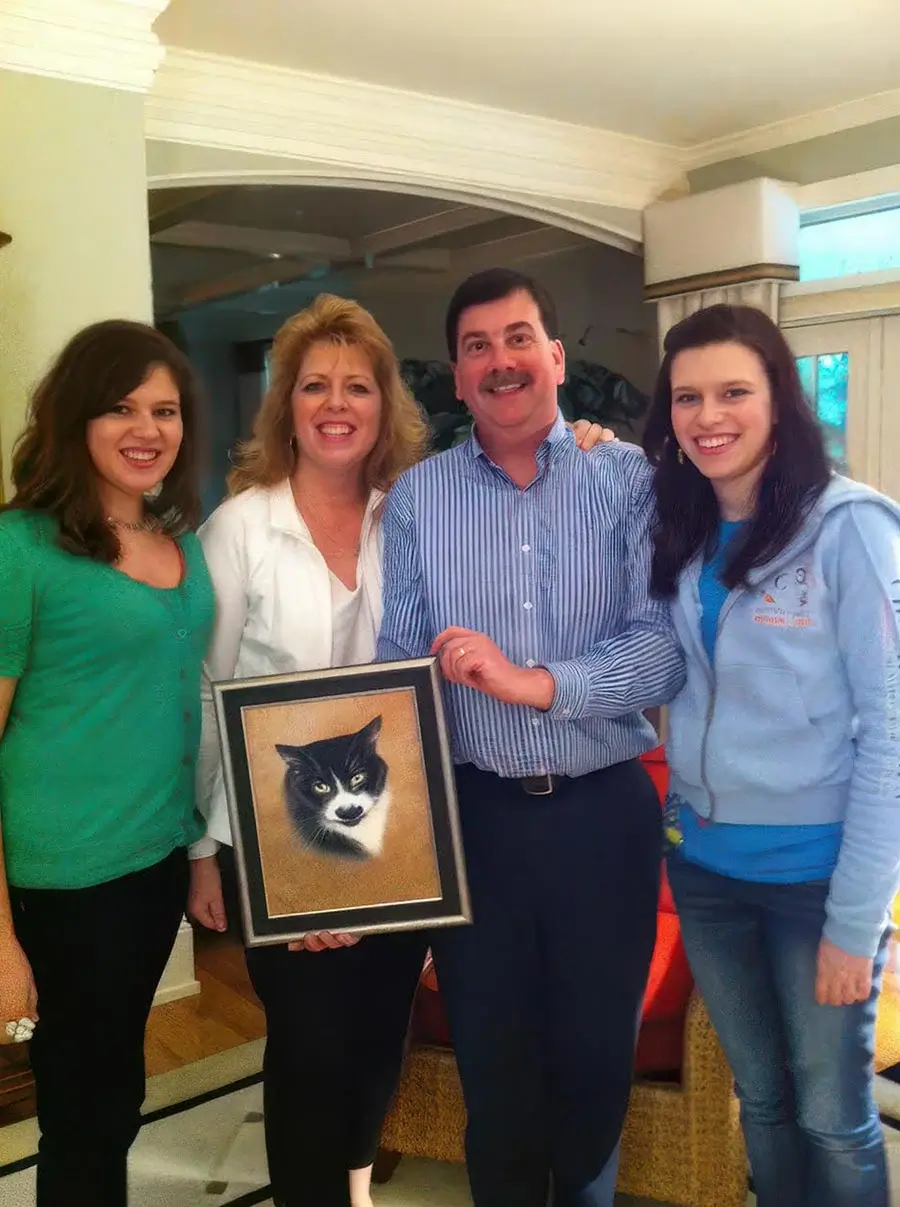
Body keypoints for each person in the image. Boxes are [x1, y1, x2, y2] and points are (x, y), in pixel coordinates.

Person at [186, 292, 612, 1207]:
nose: (336, 404)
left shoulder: (412, 512)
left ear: (386, 405)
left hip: (397, 839)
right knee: (310, 1051)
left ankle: (354, 1190)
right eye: (313, 386)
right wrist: (204, 854)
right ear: (286, 405)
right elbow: (207, 698)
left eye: (357, 386)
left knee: (380, 1040)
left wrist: (597, 446)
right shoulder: (239, 529)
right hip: (274, 841)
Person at [376, 267, 686, 1207]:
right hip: (478, 823)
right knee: (494, 1061)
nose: (499, 361)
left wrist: (534, 683)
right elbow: (399, 661)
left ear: (555, 355)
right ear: (459, 377)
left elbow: (663, 649)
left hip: (605, 816)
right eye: (476, 347)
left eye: (518, 338)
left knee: (597, 1062)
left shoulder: (627, 477)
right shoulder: (419, 500)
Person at [643, 302, 900, 1207]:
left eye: (733, 392)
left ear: (779, 401)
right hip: (707, 871)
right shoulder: (678, 528)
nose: (709, 416)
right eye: (687, 398)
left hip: (813, 882)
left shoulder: (850, 527)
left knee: (833, 1114)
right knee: (763, 1099)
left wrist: (856, 923)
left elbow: (891, 739)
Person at [0, 320, 214, 1207]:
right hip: (62, 883)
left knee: (114, 1096)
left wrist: (198, 850)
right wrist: (0, 937)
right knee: (84, 1115)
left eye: (164, 409)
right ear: (75, 418)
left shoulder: (182, 543)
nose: (147, 427)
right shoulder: (22, 547)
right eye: (121, 406)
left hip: (153, 863)